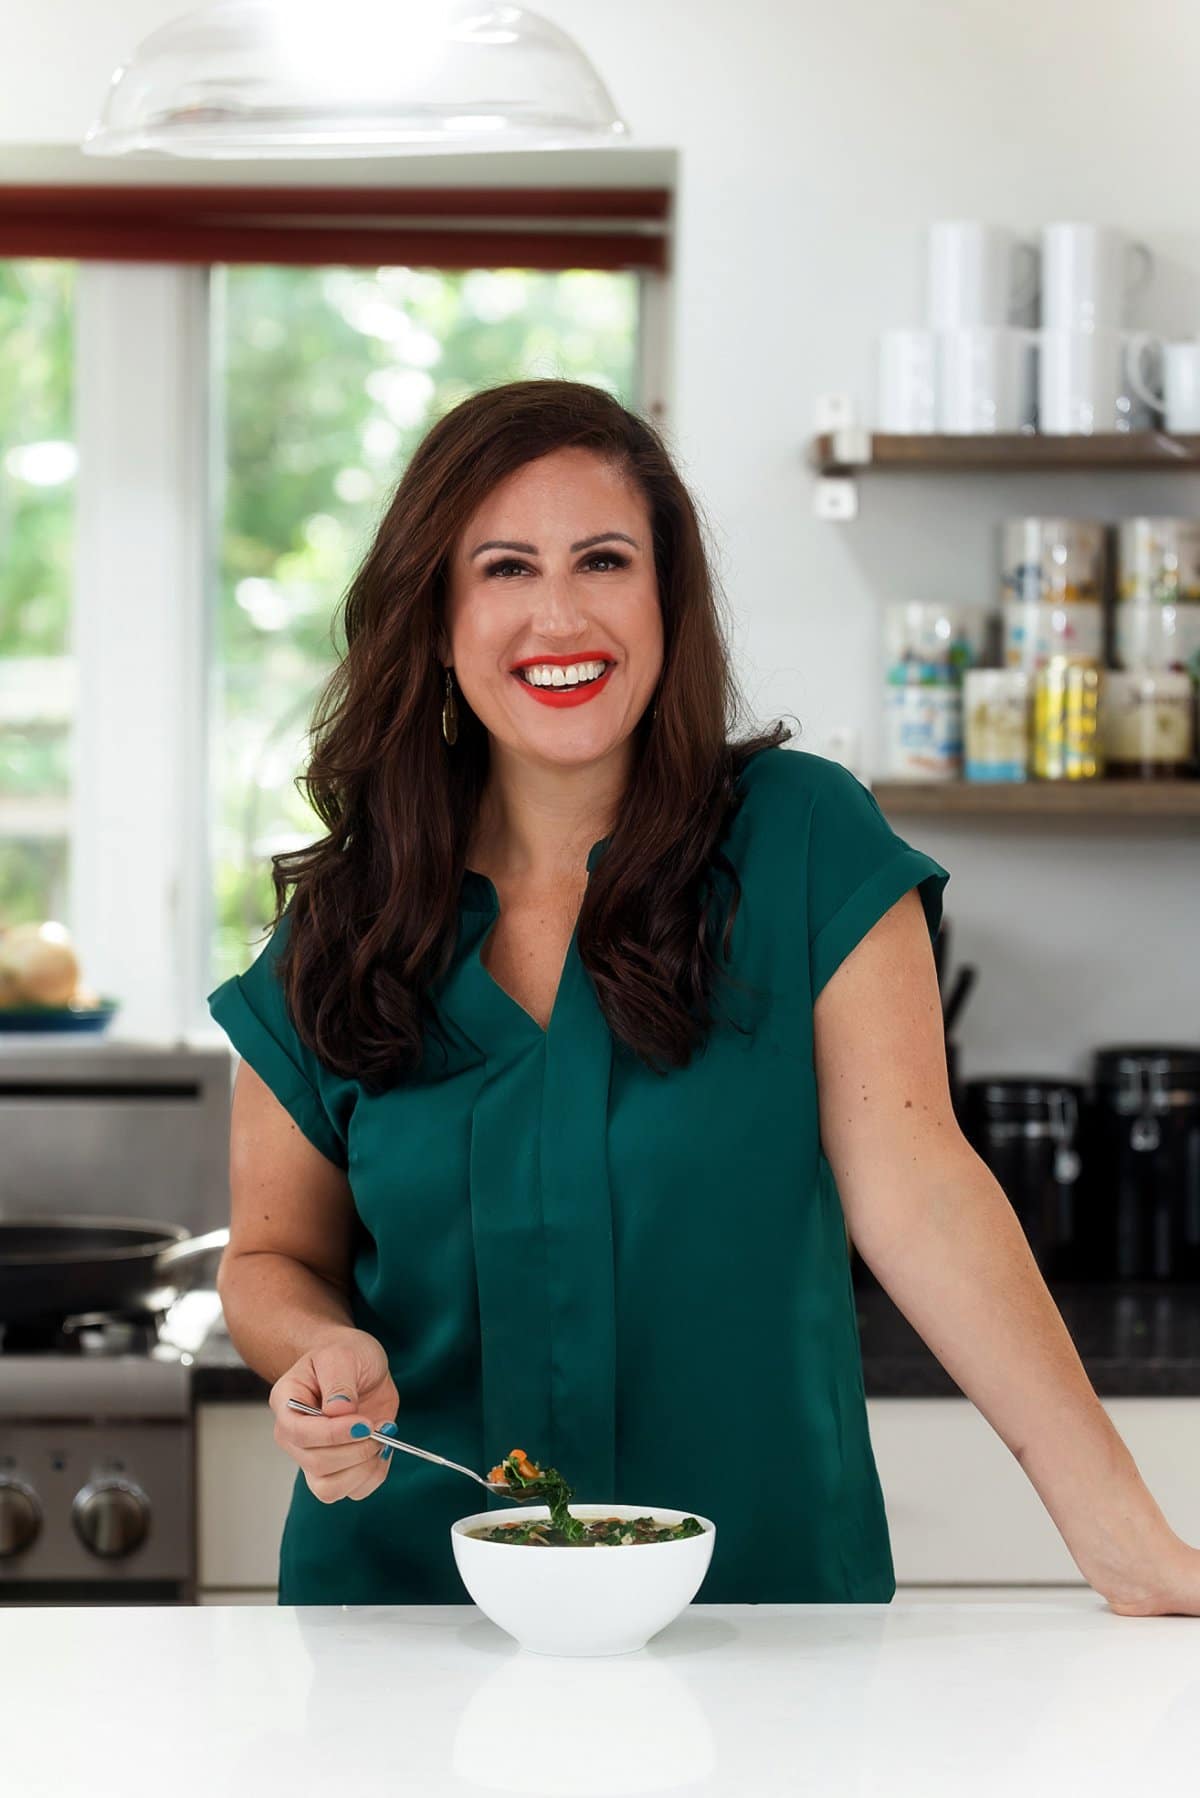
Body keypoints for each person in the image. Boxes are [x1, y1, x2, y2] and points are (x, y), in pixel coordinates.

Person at [208, 378, 1198, 1616]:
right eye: (506, 567)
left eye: (604, 560)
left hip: (758, 1610)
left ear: (667, 598)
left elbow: (922, 1190)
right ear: (438, 617)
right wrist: (317, 1350)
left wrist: (1125, 1538)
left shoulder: (802, 840)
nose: (558, 613)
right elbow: (270, 1254)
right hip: (411, 1615)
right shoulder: (340, 928)